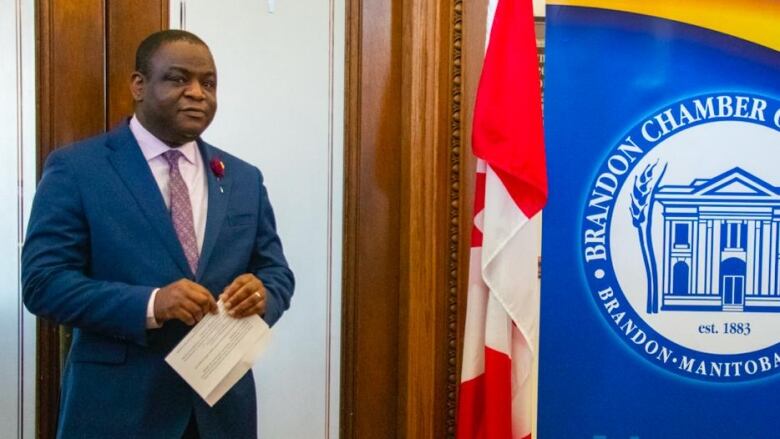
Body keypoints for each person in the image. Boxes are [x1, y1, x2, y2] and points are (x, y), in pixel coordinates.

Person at [22, 30, 294, 438]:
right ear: (139, 85)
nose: (198, 93)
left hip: (220, 411)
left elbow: (277, 273)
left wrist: (263, 294)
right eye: (179, 79)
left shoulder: (242, 178)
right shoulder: (78, 169)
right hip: (117, 411)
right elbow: (44, 284)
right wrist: (153, 303)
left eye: (209, 83)